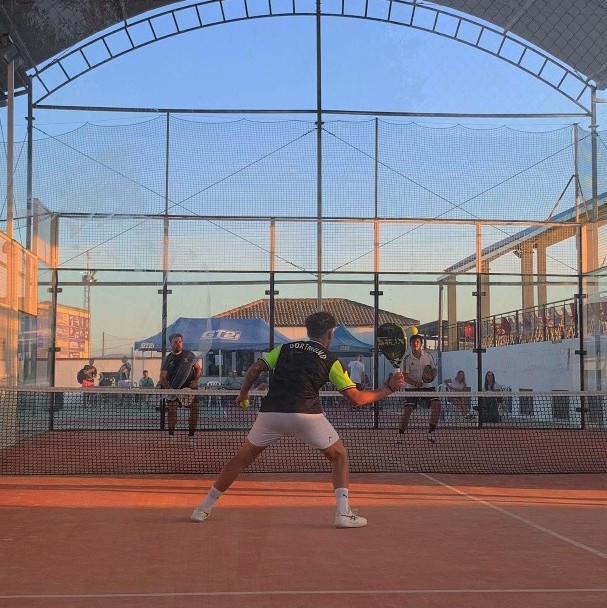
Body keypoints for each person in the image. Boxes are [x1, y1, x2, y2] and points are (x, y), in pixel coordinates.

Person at [191, 312, 404, 528]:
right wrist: (388, 388)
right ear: (330, 334)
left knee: (241, 459)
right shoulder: (331, 361)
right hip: (306, 416)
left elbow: (255, 368)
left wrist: (243, 394)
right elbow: (357, 399)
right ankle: (343, 513)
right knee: (339, 455)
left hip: (271, 414)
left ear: (308, 331)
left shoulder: (284, 348)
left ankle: (203, 508)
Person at [397, 333, 440, 443]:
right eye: (413, 342)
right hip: (412, 389)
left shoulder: (428, 356)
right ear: (410, 344)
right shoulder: (407, 359)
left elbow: (434, 370)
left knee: (437, 405)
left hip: (427, 387)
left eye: (417, 342)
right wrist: (415, 383)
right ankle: (400, 434)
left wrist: (431, 377)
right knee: (407, 411)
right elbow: (405, 376)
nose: (415, 344)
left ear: (421, 344)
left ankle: (431, 433)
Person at [159, 333, 202, 441]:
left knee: (195, 410)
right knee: (172, 412)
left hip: (190, 390)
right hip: (174, 390)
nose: (178, 344)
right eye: (175, 342)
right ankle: (171, 436)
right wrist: (169, 389)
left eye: (180, 341)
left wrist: (196, 381)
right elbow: (162, 377)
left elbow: (198, 368)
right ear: (171, 343)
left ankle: (191, 436)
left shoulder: (190, 355)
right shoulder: (167, 359)